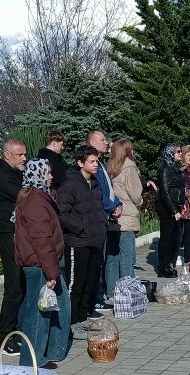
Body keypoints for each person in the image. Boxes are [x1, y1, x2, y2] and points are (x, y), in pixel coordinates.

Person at [14, 159, 71, 370]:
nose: (51, 176)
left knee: (59, 304)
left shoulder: (38, 197)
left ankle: (54, 350)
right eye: (47, 173)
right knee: (39, 313)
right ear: (37, 175)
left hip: (45, 263)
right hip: (39, 264)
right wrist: (51, 272)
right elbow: (41, 239)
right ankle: (32, 360)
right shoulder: (35, 201)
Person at [57, 145, 108, 329]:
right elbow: (62, 213)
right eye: (91, 162)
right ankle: (70, 322)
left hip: (94, 240)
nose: (96, 165)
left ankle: (83, 316)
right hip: (77, 242)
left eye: (97, 161)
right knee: (75, 284)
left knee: (89, 283)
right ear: (80, 163)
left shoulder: (94, 183)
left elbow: (98, 208)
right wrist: (81, 227)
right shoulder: (70, 184)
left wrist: (101, 225)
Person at [0, 139, 27, 356]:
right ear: (7, 155)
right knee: (13, 286)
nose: (24, 158)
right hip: (9, 233)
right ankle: (4, 337)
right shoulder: (1, 176)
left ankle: (16, 331)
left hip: (20, 233)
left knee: (21, 284)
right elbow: (23, 195)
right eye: (20, 155)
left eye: (24, 154)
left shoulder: (15, 173)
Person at [86, 130, 122, 314]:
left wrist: (118, 204)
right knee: (96, 261)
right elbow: (98, 192)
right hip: (97, 218)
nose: (106, 142)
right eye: (102, 140)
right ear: (92, 142)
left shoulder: (100, 163)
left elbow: (109, 189)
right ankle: (95, 299)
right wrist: (111, 207)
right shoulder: (92, 166)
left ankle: (98, 297)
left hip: (106, 216)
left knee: (101, 259)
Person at [106, 139, 142, 298]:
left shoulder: (110, 166)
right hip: (126, 216)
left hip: (113, 216)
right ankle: (128, 291)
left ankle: (112, 290)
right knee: (127, 257)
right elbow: (135, 194)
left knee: (112, 257)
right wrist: (140, 202)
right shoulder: (129, 167)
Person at [154, 143, 184, 277]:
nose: (180, 153)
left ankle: (170, 264)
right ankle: (163, 267)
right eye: (178, 151)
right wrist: (174, 211)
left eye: (181, 151)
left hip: (175, 205)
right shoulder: (165, 168)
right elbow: (165, 192)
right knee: (167, 237)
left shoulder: (174, 167)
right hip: (167, 207)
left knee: (175, 236)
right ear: (170, 153)